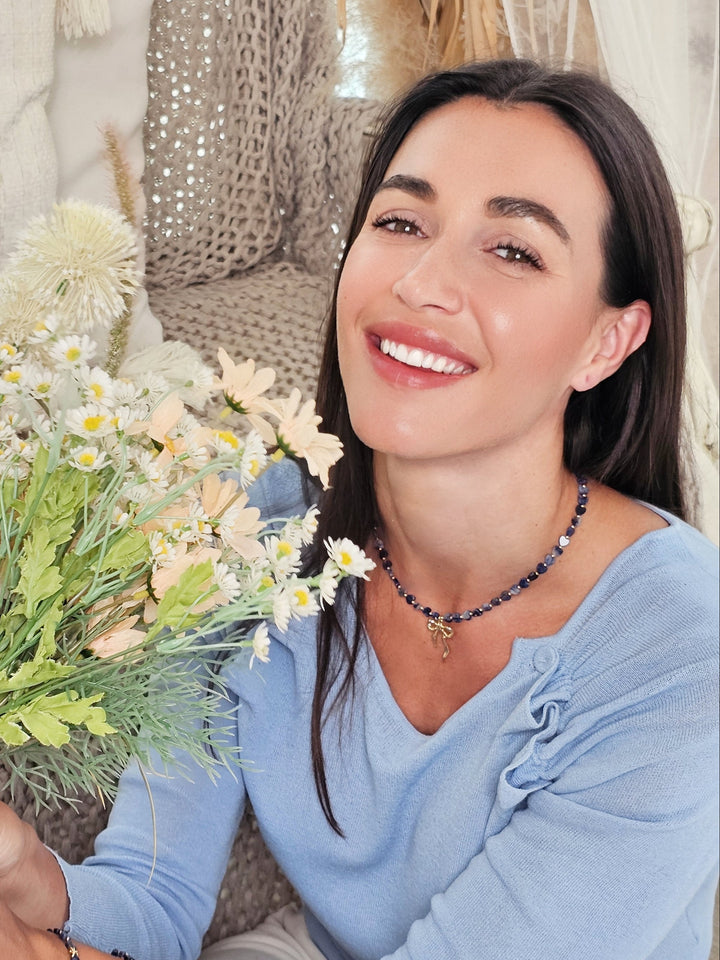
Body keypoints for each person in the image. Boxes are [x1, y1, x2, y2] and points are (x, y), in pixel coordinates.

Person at [0, 58, 717, 960]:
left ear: (607, 341)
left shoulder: (679, 648)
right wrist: (29, 876)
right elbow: (153, 898)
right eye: (400, 220)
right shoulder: (245, 530)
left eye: (513, 250)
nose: (420, 280)